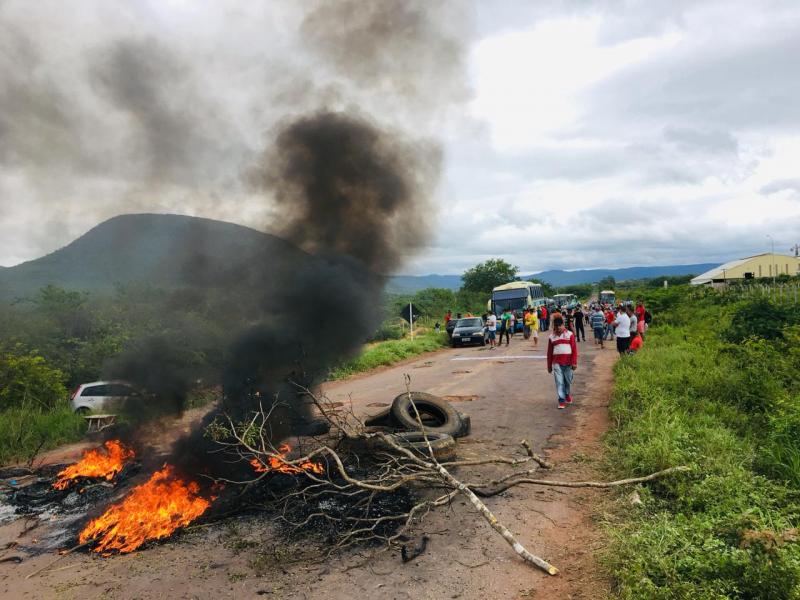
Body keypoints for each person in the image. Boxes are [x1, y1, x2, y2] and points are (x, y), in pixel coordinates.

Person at [547, 315, 578, 409]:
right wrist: (549, 366)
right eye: (556, 327)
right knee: (559, 382)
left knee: (568, 381)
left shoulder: (570, 335)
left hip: (568, 363)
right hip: (557, 363)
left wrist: (574, 362)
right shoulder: (551, 337)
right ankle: (561, 400)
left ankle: (567, 394)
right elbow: (549, 353)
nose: (558, 328)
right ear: (554, 327)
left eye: (560, 326)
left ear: (563, 325)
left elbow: (574, 349)